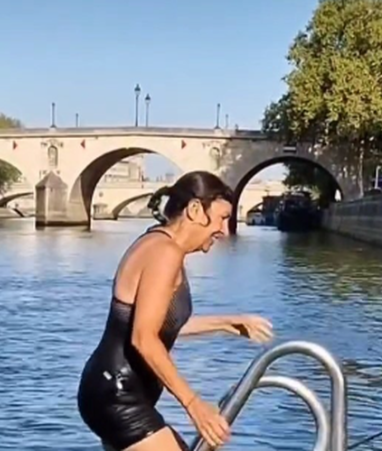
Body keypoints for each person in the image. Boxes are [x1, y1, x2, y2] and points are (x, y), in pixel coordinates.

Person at [77, 171, 275, 451]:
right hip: (117, 395)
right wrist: (194, 405)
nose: (225, 230)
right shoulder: (164, 252)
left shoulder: (162, 244)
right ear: (195, 210)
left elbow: (159, 323)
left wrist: (227, 323)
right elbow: (143, 338)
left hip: (113, 389)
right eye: (221, 218)